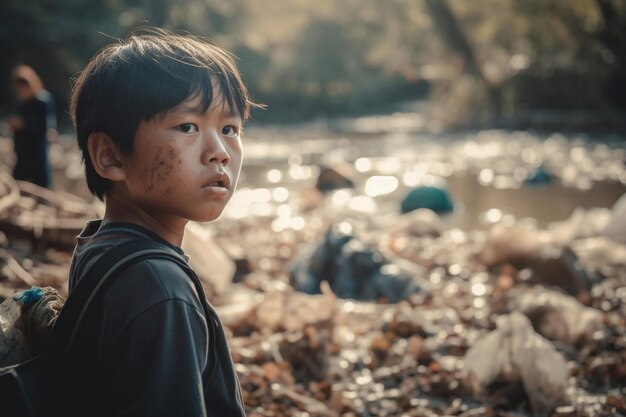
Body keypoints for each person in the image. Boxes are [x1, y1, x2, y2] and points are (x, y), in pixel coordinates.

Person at [51, 29, 259, 416]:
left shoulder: (100, 245)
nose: (220, 153)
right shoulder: (161, 288)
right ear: (111, 157)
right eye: (187, 127)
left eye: (230, 129)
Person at [8, 65, 56, 188]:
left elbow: (44, 128)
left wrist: (23, 125)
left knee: (41, 188)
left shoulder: (43, 100)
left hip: (37, 152)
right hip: (23, 152)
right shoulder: (21, 102)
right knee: (19, 185)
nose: (21, 92)